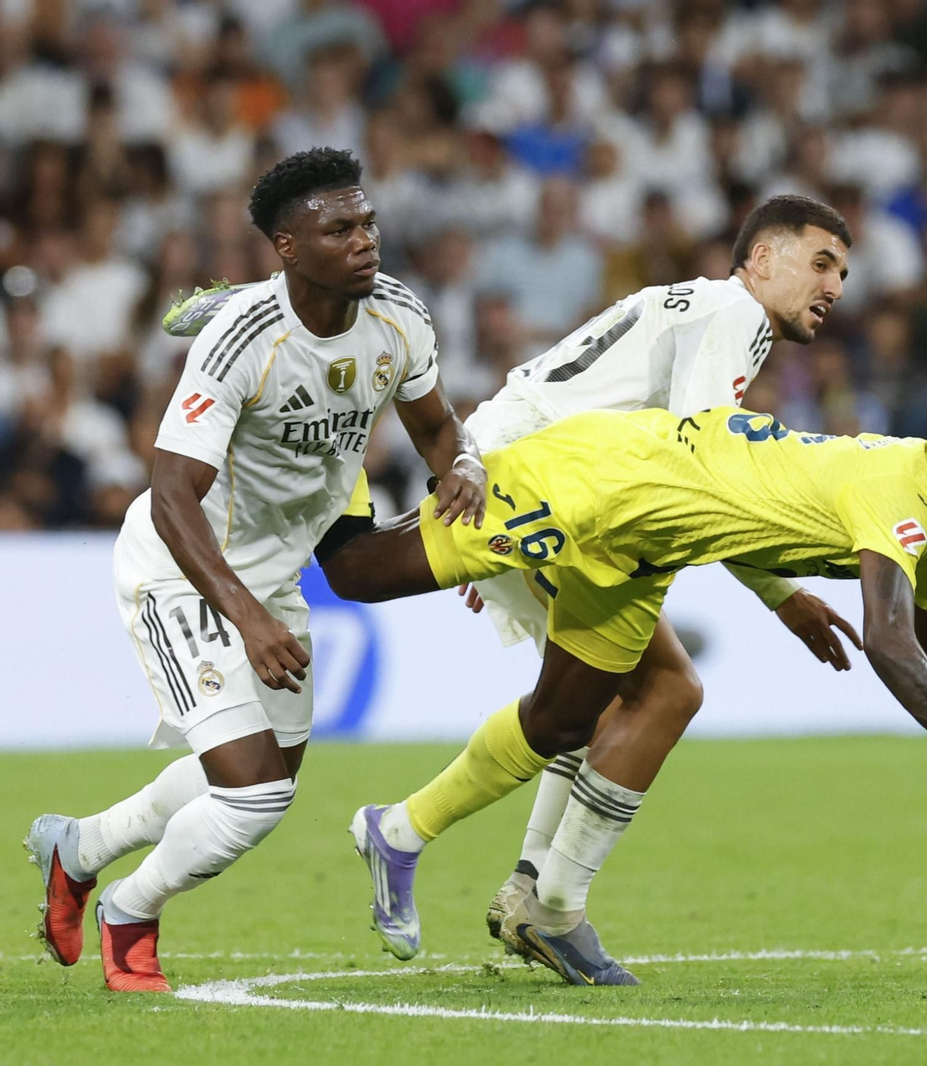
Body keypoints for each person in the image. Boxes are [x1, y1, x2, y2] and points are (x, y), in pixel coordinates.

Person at [157, 195, 866, 984]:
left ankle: (508, 880)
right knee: (661, 691)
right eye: (821, 263)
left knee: (595, 704)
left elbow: (692, 471)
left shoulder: (706, 306)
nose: (835, 286)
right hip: (545, 487)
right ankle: (493, 874)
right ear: (762, 259)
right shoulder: (735, 313)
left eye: (843, 271)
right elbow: (708, 469)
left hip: (542, 476)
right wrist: (783, 589)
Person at [325, 399, 927, 985]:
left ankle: (396, 832)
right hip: (593, 486)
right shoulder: (900, 485)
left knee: (559, 723)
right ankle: (331, 426)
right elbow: (888, 639)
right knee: (355, 572)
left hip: (645, 548)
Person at [24, 148, 487, 993]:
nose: (365, 241)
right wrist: (250, 616)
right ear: (286, 246)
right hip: (182, 570)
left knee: (251, 776)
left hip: (270, 579)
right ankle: (130, 914)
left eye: (368, 222)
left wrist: (462, 468)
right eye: (338, 229)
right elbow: (171, 493)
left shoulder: (399, 317)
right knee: (254, 798)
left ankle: (78, 848)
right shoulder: (241, 340)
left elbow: (436, 426)